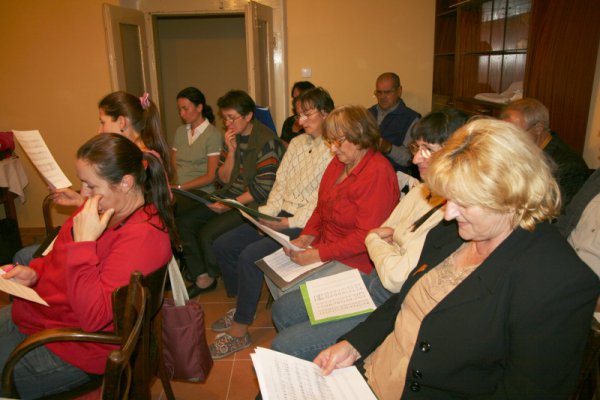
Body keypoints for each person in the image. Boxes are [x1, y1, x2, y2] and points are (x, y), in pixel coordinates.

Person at [314, 119, 599, 399]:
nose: (448, 214)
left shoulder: (558, 282)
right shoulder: (454, 231)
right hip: (368, 374)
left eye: (463, 201)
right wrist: (354, 344)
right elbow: (408, 298)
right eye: (448, 197)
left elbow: (527, 391)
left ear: (511, 197)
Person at [0, 134, 176, 399]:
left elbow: (93, 318)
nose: (83, 194)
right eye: (82, 182)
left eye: (91, 186)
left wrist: (84, 244)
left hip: (77, 345)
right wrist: (35, 273)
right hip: (44, 315)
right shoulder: (101, 209)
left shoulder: (143, 238)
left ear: (126, 183)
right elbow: (59, 259)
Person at [208, 87, 334, 359]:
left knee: (250, 255)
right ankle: (244, 305)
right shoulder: (297, 143)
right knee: (223, 245)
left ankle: (240, 330)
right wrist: (266, 214)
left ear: (326, 114)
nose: (300, 121)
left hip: (305, 223)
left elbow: (320, 201)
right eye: (298, 114)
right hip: (279, 214)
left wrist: (287, 221)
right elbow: (280, 183)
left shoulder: (334, 149)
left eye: (307, 114)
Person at [270, 105, 400, 361]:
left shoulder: (377, 172)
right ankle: (304, 340)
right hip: (329, 247)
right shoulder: (338, 163)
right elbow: (321, 207)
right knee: (276, 277)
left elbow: (365, 237)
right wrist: (307, 236)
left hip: (357, 261)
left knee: (287, 292)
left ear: (360, 136)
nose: (333, 148)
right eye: (330, 141)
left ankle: (308, 342)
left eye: (339, 141)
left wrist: (317, 254)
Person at [176, 90, 285, 296]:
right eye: (225, 118)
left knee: (208, 234)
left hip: (252, 203)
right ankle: (202, 275)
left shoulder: (266, 141)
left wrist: (229, 205)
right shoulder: (232, 137)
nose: (227, 124)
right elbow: (222, 179)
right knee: (185, 222)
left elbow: (263, 188)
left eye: (232, 118)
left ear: (248, 116)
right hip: (228, 195)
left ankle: (217, 276)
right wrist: (231, 152)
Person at [367, 108, 467, 293]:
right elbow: (386, 231)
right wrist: (393, 250)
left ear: (456, 155)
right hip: (375, 277)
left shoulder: (456, 213)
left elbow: (396, 279)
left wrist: (371, 239)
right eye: (417, 148)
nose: (415, 159)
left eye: (428, 150)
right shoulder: (420, 191)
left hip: (393, 296)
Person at [52, 90, 173, 207]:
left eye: (103, 122)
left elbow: (120, 210)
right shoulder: (131, 156)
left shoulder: (141, 161)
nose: (99, 131)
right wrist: (79, 200)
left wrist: (82, 203)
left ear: (121, 122)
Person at [501, 97, 588, 208]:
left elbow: (555, 213)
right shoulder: (519, 149)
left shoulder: (569, 166)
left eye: (516, 133)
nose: (508, 140)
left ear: (538, 128)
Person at [171, 87, 223, 193]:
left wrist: (181, 187)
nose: (181, 114)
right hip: (180, 189)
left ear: (199, 107)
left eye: (185, 109)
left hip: (201, 192)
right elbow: (174, 164)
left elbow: (211, 176)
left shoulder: (213, 135)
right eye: (179, 109)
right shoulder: (180, 132)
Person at [368, 72, 420, 173]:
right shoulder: (367, 114)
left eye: (387, 92)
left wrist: (388, 147)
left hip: (393, 175)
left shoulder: (411, 119)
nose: (382, 97)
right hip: (365, 172)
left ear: (399, 91)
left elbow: (409, 159)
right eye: (379, 92)